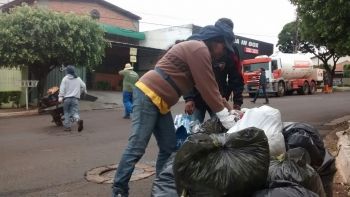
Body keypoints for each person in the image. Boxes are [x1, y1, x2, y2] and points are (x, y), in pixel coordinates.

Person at [112, 18, 238, 197]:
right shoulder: (199, 48)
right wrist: (227, 119)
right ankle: (119, 190)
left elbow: (213, 88)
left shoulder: (200, 51)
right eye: (223, 47)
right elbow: (207, 89)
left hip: (161, 102)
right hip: (148, 94)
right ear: (215, 41)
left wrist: (231, 110)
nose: (224, 52)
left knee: (169, 147)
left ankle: (162, 187)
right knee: (137, 147)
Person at [184, 45, 244, 123]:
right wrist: (189, 99)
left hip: (218, 100)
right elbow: (188, 75)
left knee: (221, 128)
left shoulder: (230, 50)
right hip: (197, 99)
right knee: (191, 129)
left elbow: (235, 77)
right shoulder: (198, 48)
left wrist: (237, 101)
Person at [58, 65, 87, 132]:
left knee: (66, 112)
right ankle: (78, 120)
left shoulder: (65, 78)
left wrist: (60, 97)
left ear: (67, 71)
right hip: (75, 99)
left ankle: (67, 127)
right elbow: (84, 86)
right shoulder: (78, 78)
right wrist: (83, 91)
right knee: (74, 112)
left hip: (66, 99)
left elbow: (62, 89)